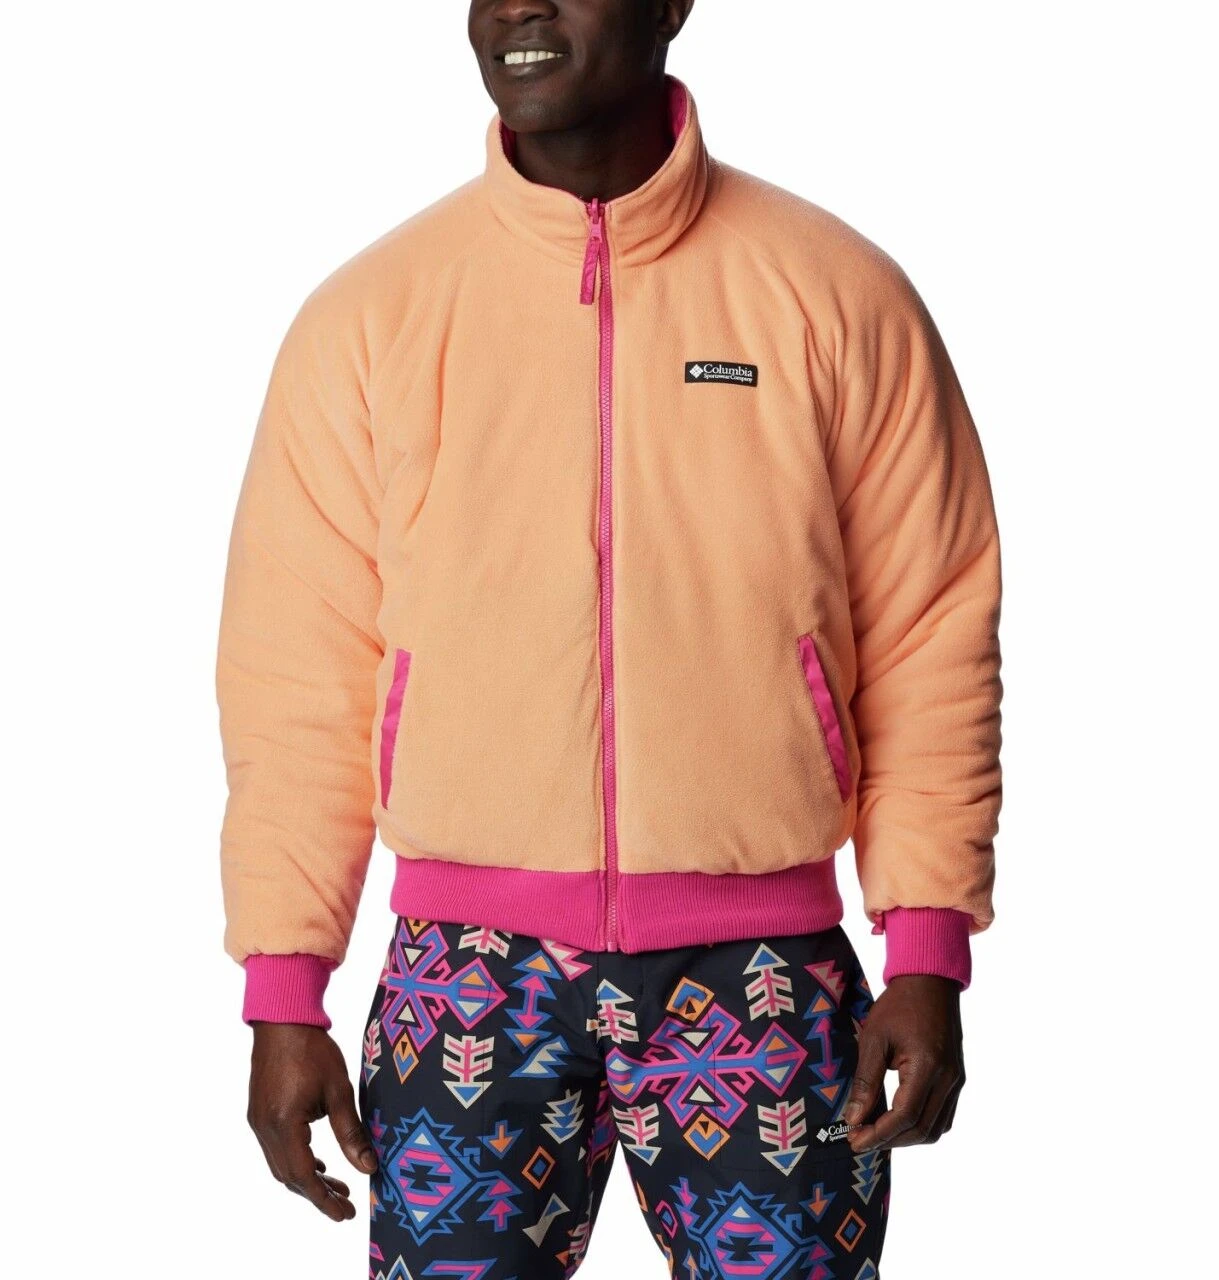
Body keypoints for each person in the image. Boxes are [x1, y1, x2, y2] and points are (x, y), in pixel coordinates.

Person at [215, 2, 1003, 1275]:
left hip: (760, 972)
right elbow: (296, 675)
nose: (515, 8)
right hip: (466, 980)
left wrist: (924, 943)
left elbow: (929, 632)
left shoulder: (835, 294)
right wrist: (284, 984)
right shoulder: (371, 317)